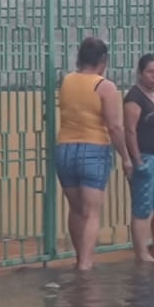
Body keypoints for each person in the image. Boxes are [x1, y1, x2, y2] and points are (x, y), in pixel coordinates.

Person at [55, 37, 130, 271]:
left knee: (75, 209)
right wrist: (126, 157)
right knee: (91, 213)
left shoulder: (66, 81)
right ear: (103, 60)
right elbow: (115, 127)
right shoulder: (105, 87)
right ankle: (85, 266)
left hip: (65, 149)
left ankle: (80, 259)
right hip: (93, 149)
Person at [123, 53, 154, 264]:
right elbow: (130, 131)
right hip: (144, 157)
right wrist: (136, 160)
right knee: (142, 208)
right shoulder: (134, 98)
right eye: (150, 72)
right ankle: (142, 253)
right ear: (140, 73)